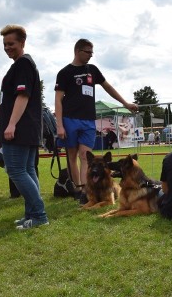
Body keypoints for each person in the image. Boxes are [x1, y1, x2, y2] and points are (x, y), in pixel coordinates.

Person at [54, 38, 138, 189]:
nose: (91, 55)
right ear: (77, 51)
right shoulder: (64, 73)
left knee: (85, 155)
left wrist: (126, 103)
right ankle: (77, 189)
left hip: (88, 120)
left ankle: (86, 190)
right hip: (69, 119)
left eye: (92, 52)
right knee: (72, 157)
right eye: (87, 52)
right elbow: (58, 99)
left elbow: (108, 88)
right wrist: (59, 125)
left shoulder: (92, 70)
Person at [0, 24, 48, 230]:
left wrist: (11, 124)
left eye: (11, 43)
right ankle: (31, 214)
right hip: (28, 126)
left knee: (17, 170)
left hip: (20, 127)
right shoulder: (23, 64)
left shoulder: (23, 65)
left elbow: (22, 95)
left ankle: (39, 215)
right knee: (27, 169)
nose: (7, 47)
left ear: (22, 43)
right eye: (4, 44)